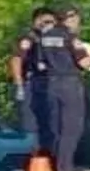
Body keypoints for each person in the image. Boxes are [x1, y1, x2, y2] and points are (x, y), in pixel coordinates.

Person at [46, 5, 90, 171]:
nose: (78, 24)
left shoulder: (46, 37)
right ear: (70, 19)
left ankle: (53, 167)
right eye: (77, 20)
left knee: (56, 128)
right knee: (71, 128)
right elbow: (83, 62)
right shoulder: (71, 38)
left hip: (50, 83)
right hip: (69, 84)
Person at [10, 8, 56, 148]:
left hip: (49, 83)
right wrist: (19, 84)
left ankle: (48, 159)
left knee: (49, 121)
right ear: (37, 21)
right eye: (46, 21)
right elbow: (16, 59)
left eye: (52, 22)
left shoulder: (53, 38)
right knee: (31, 124)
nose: (49, 25)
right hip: (31, 83)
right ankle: (31, 158)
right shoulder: (29, 38)